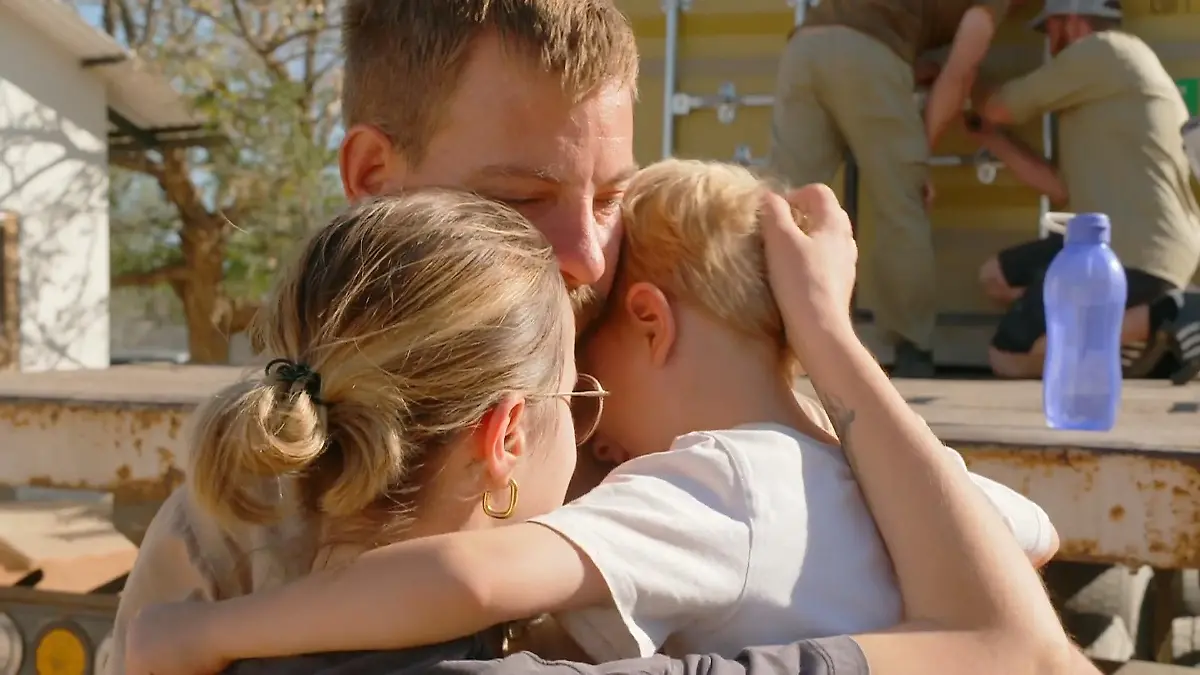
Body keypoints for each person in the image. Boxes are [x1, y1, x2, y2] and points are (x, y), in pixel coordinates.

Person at [121, 159, 1061, 669]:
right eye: (575, 388)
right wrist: (828, 342)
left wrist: (204, 632)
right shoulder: (892, 487)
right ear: (507, 436)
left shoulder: (698, 484)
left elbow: (470, 575)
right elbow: (1028, 562)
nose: (590, 428)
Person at [768, 0, 1020, 378]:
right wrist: (921, 152)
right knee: (902, 206)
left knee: (780, 203)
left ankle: (757, 332)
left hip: (805, 47)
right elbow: (960, 72)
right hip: (866, 53)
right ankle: (910, 347)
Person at [969, 0, 1200, 379]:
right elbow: (1059, 189)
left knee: (1008, 358)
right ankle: (1128, 332)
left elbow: (998, 107)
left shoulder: (1101, 50)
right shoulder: (1104, 84)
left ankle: (1172, 314)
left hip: (1138, 251)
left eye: (1050, 30)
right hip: (1121, 242)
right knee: (995, 275)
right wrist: (991, 140)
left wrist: (956, 75)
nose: (1050, 44)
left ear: (1072, 22)